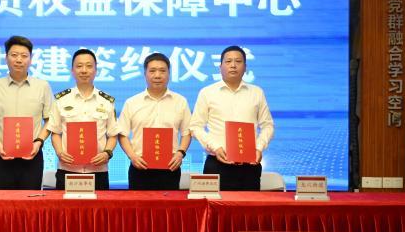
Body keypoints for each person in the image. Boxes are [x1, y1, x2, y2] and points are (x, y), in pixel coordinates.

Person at [189, 45, 274, 191]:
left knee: (248, 205)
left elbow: (268, 125)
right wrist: (215, 147)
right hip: (217, 163)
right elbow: (195, 126)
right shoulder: (207, 93)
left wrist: (259, 148)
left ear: (245, 67)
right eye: (228, 61)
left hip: (249, 165)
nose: (233, 65)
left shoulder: (257, 92)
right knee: (213, 206)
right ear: (220, 67)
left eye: (238, 61)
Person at [0, 35, 52, 189]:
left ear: (31, 59)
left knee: (30, 201)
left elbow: (50, 120)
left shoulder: (43, 86)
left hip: (32, 156)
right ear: (6, 58)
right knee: (2, 202)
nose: (19, 60)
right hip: (2, 155)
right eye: (14, 55)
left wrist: (38, 142)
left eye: (24, 56)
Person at [118, 52, 192, 190]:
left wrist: (180, 153)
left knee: (170, 204)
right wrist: (132, 156)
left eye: (162, 71)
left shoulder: (180, 101)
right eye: (152, 71)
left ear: (169, 74)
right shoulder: (132, 103)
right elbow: (122, 134)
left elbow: (187, 132)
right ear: (145, 74)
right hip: (139, 167)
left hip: (170, 167)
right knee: (138, 205)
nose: (157, 75)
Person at [47, 48, 118, 190]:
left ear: (96, 70)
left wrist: (107, 153)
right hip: (67, 169)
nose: (84, 70)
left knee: (100, 206)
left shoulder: (106, 101)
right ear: (72, 71)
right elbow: (55, 132)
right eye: (79, 66)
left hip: (98, 171)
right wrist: (60, 152)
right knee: (64, 206)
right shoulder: (61, 100)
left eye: (89, 66)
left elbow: (112, 135)